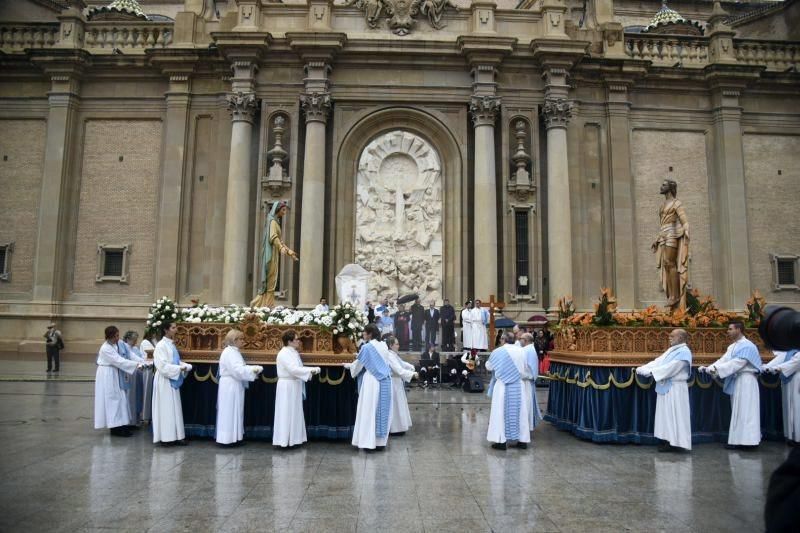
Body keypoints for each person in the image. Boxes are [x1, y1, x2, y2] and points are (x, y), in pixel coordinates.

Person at [699, 321, 762, 449]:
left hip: (747, 381)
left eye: (730, 329)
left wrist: (715, 370)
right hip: (738, 381)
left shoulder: (748, 346)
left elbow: (737, 363)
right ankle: (738, 441)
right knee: (738, 411)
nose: (727, 332)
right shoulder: (733, 347)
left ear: (739, 329)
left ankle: (749, 442)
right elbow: (724, 360)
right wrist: (709, 368)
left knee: (747, 411)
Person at [635, 329, 693, 452]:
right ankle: (667, 439)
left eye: (672, 336)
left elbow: (672, 368)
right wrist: (644, 368)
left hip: (676, 388)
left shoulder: (684, 352)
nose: (669, 337)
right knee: (666, 415)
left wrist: (651, 372)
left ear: (681, 338)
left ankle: (676, 442)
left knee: (675, 414)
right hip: (666, 386)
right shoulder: (672, 350)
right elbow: (658, 362)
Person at [345, 324, 393, 451]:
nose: (363, 335)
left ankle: (368, 442)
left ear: (370, 334)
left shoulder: (367, 347)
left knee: (368, 411)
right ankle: (380, 443)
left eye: (364, 333)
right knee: (381, 411)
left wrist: (349, 367)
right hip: (385, 380)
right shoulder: (384, 345)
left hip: (372, 380)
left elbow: (359, 365)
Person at [273, 330, 321, 448]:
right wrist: (310, 370)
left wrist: (309, 370)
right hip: (287, 385)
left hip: (294, 384)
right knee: (286, 412)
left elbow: (298, 368)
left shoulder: (293, 352)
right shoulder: (284, 353)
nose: (299, 341)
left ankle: (295, 439)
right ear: (289, 341)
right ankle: (284, 440)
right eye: (296, 339)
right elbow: (293, 369)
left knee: (295, 411)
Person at [94, 326, 144, 437]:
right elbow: (118, 360)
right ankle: (115, 427)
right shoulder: (105, 348)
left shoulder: (119, 343)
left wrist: (142, 362)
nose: (118, 338)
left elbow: (130, 354)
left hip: (116, 373)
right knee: (112, 400)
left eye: (118, 335)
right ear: (109, 336)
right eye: (115, 336)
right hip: (108, 374)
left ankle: (121, 425)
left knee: (121, 399)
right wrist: (136, 365)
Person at [216, 329, 263, 447]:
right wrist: (253, 369)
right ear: (234, 340)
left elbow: (239, 368)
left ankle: (235, 437)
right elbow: (237, 370)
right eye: (241, 339)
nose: (243, 341)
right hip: (230, 385)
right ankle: (227, 439)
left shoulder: (234, 351)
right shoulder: (229, 352)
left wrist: (250, 369)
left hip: (234, 384)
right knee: (229, 411)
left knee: (235, 410)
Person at [485, 332, 530, 450]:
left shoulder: (498, 352)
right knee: (521, 413)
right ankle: (522, 441)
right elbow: (525, 367)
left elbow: (489, 366)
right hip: (518, 385)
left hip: (503, 386)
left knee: (499, 412)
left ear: (503, 340)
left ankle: (501, 441)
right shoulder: (521, 351)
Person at [251, 200, 299, 308]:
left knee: (272, 280)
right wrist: (281, 247)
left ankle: (266, 305)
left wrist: (289, 252)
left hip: (274, 254)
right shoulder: (272, 222)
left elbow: (280, 241)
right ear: (278, 210)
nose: (285, 212)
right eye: (283, 210)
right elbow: (273, 237)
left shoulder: (275, 222)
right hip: (271, 254)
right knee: (271, 281)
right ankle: (265, 306)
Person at [651, 179, 690, 311]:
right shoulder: (662, 206)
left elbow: (683, 219)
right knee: (666, 265)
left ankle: (675, 295)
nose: (661, 186)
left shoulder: (676, 203)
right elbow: (662, 224)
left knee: (670, 262)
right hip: (663, 234)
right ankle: (671, 294)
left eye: (664, 184)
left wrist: (686, 229)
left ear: (670, 187)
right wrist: (657, 238)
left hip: (673, 234)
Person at [152, 321, 192, 446]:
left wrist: (185, 366)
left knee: (174, 407)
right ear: (166, 330)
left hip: (172, 378)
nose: (176, 330)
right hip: (164, 380)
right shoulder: (161, 346)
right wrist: (179, 369)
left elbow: (175, 361)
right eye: (173, 328)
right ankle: (166, 437)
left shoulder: (171, 345)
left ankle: (177, 435)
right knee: (166, 408)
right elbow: (162, 366)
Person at [763, 349, 800, 447]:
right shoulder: (791, 351)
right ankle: (791, 436)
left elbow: (795, 362)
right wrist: (766, 367)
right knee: (789, 408)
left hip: (797, 379)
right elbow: (781, 359)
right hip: (789, 380)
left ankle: (798, 437)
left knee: (797, 409)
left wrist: (776, 368)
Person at [383, 335, 418, 435]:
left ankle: (400, 427)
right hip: (393, 383)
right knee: (395, 405)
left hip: (397, 382)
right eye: (397, 344)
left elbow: (402, 363)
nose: (399, 346)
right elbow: (399, 370)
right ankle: (395, 429)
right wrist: (413, 374)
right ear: (390, 345)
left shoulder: (393, 354)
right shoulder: (389, 356)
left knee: (399, 404)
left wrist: (411, 367)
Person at [122, 331, 147, 426]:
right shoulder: (124, 348)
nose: (135, 342)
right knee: (130, 397)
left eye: (136, 340)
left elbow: (140, 358)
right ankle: (129, 420)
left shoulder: (136, 348)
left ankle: (136, 418)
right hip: (129, 375)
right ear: (128, 339)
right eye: (134, 340)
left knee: (138, 396)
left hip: (138, 375)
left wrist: (144, 363)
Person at [519, 333, 543, 433]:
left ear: (526, 340)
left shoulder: (527, 350)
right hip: (526, 380)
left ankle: (525, 427)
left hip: (526, 382)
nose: (520, 340)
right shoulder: (529, 349)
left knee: (525, 405)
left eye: (521, 338)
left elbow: (526, 368)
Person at [139, 332, 158, 423]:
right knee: (147, 391)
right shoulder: (145, 342)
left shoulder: (154, 341)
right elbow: (150, 354)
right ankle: (146, 415)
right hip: (148, 369)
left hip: (154, 368)